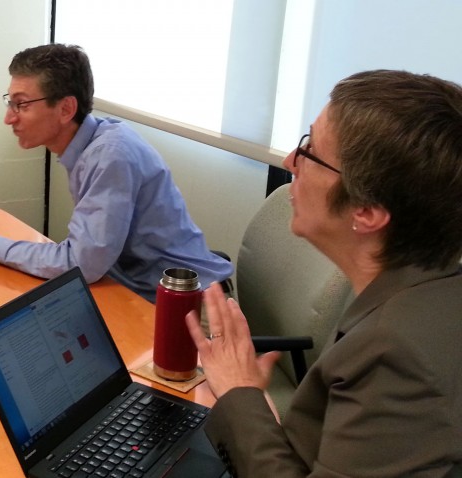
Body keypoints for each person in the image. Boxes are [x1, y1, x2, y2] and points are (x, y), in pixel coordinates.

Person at [185, 70, 462, 477]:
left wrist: (238, 393)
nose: (289, 161)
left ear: (366, 212)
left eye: (310, 150)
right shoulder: (429, 293)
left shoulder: (396, 356)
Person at [0, 44, 231, 302]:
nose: (9, 118)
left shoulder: (110, 155)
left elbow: (81, 264)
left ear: (65, 109)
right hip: (136, 287)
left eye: (21, 105)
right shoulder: (93, 143)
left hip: (191, 306)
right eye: (10, 103)